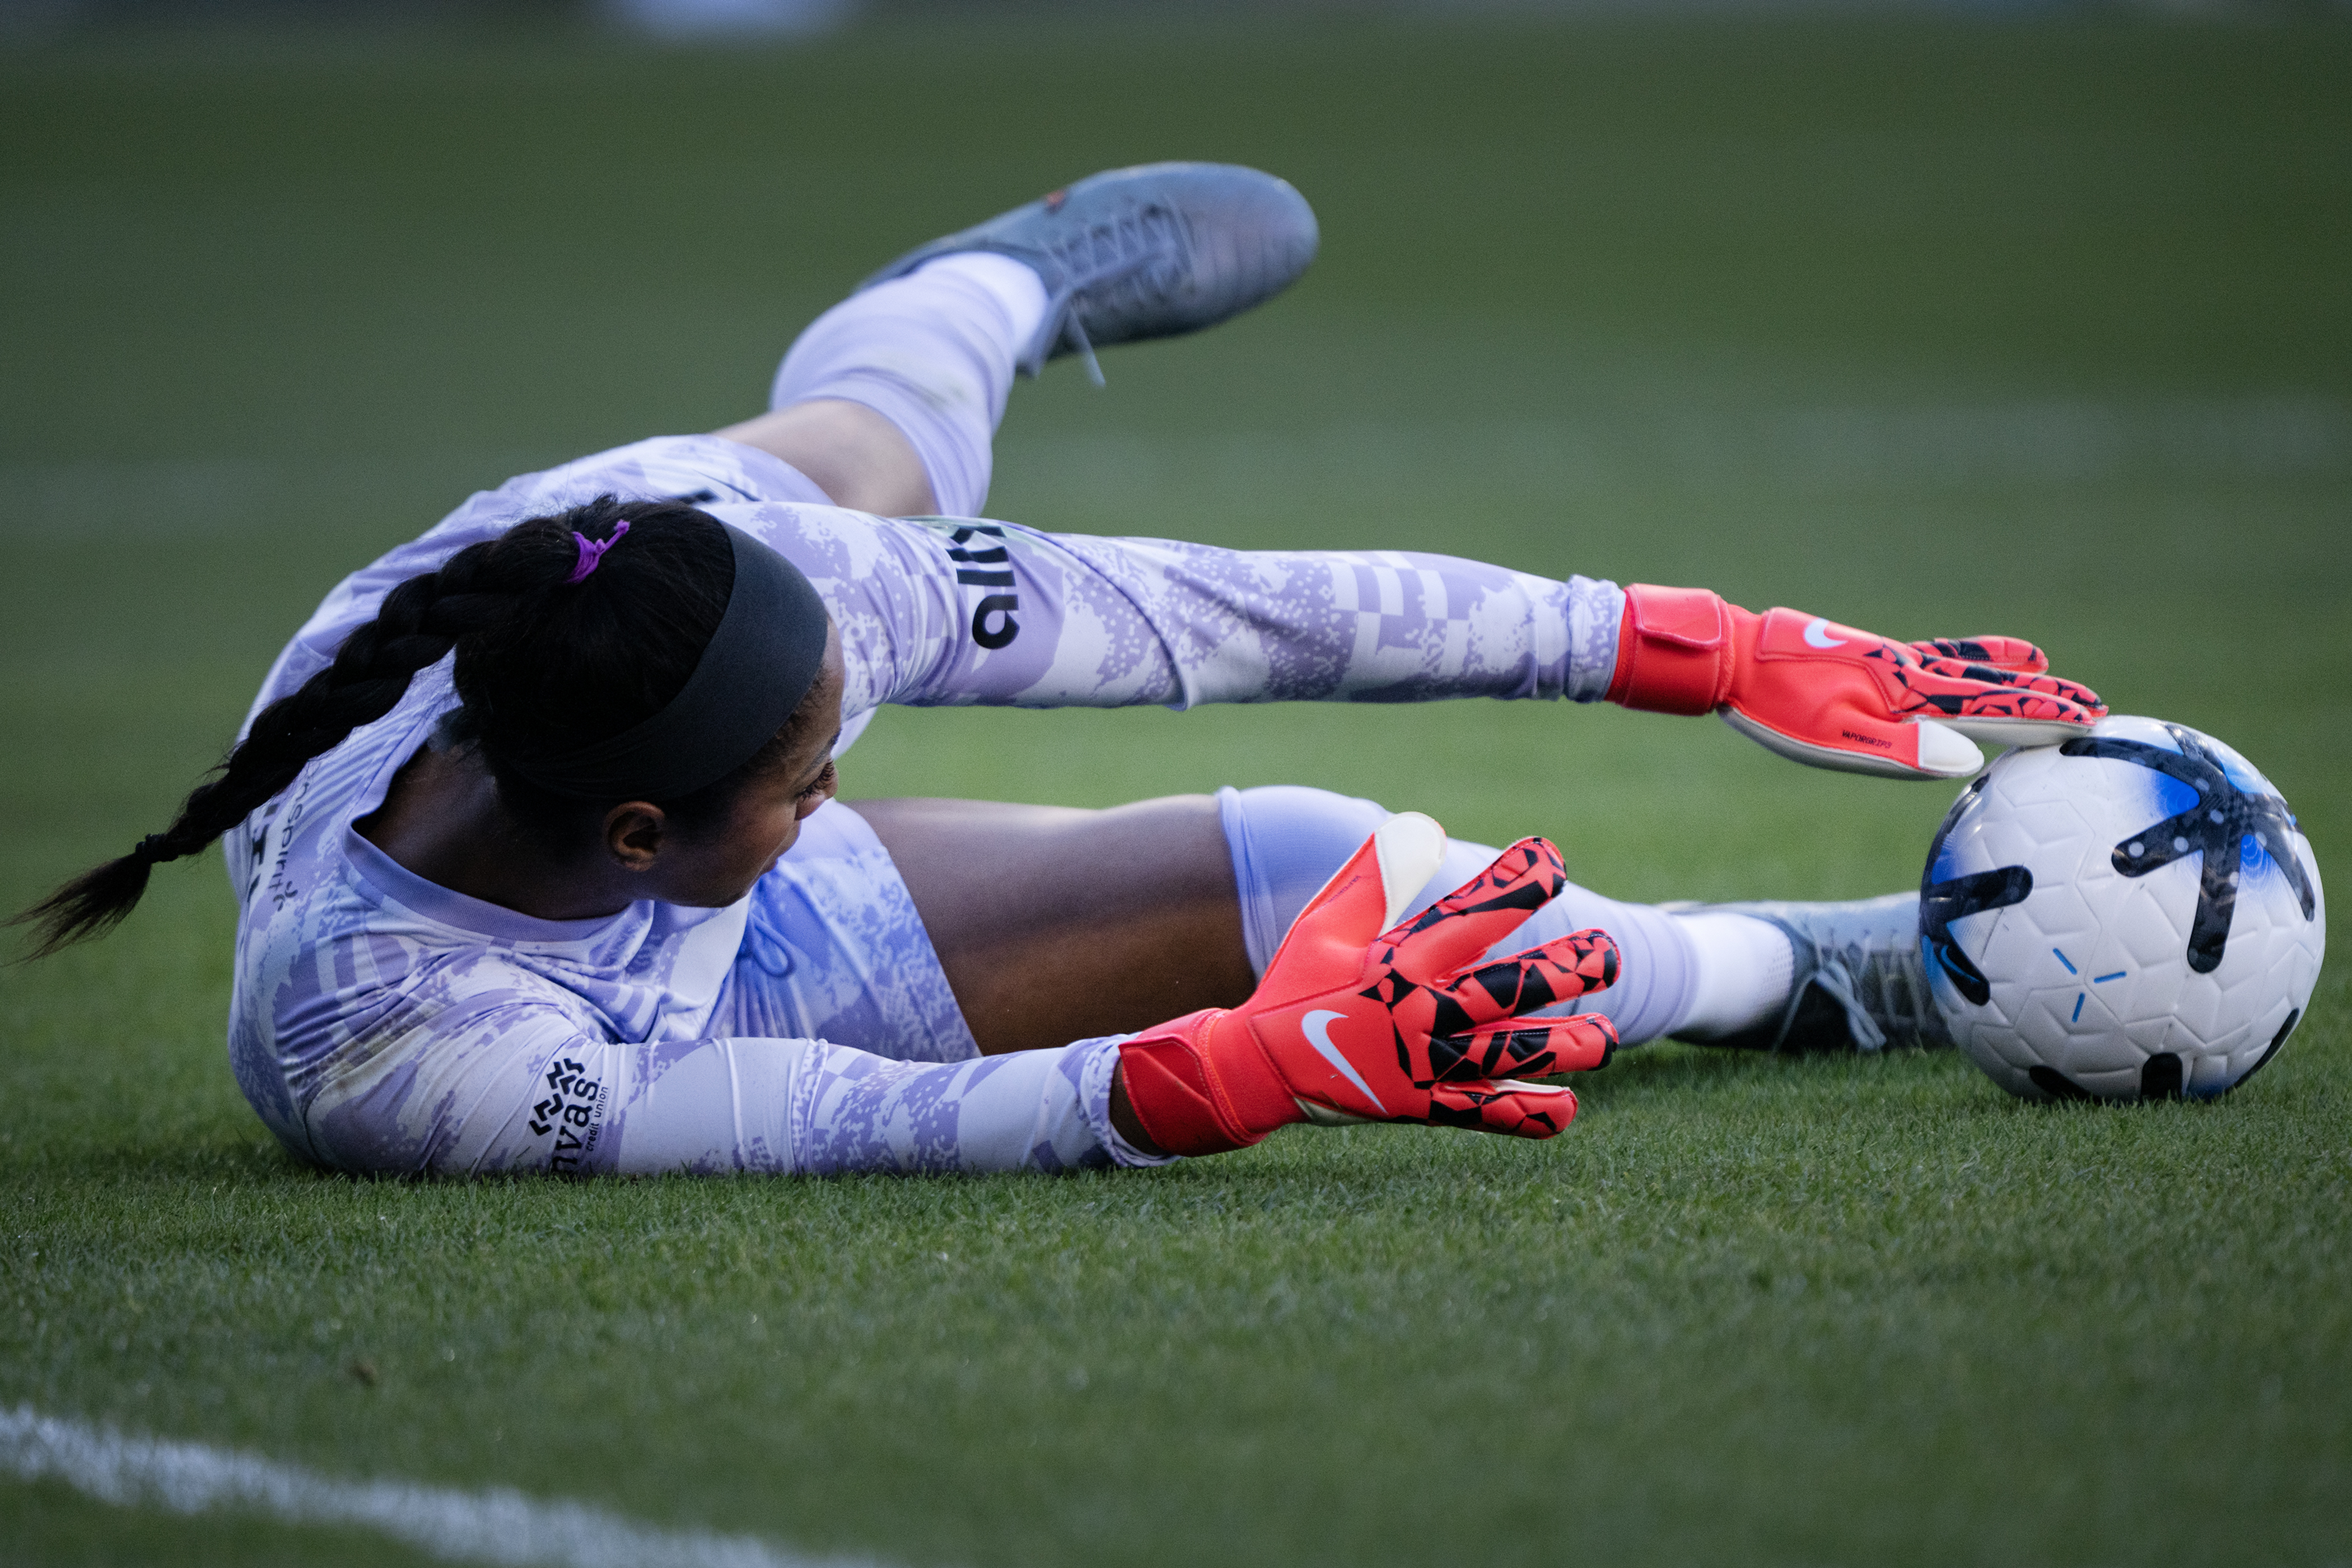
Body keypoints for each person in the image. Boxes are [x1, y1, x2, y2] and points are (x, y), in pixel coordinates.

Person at [12, 164, 2104, 1177]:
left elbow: (1216, 614)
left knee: (895, 460)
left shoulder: (747, 583)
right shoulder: (381, 1049)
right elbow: (831, 1123)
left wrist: (1696, 647)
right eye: (815, 779)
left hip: (738, 562)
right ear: (648, 830)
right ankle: (1799, 971)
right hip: (637, 1003)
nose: (852, 778)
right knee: (1359, 908)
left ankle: (980, 286)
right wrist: (1256, 1066)